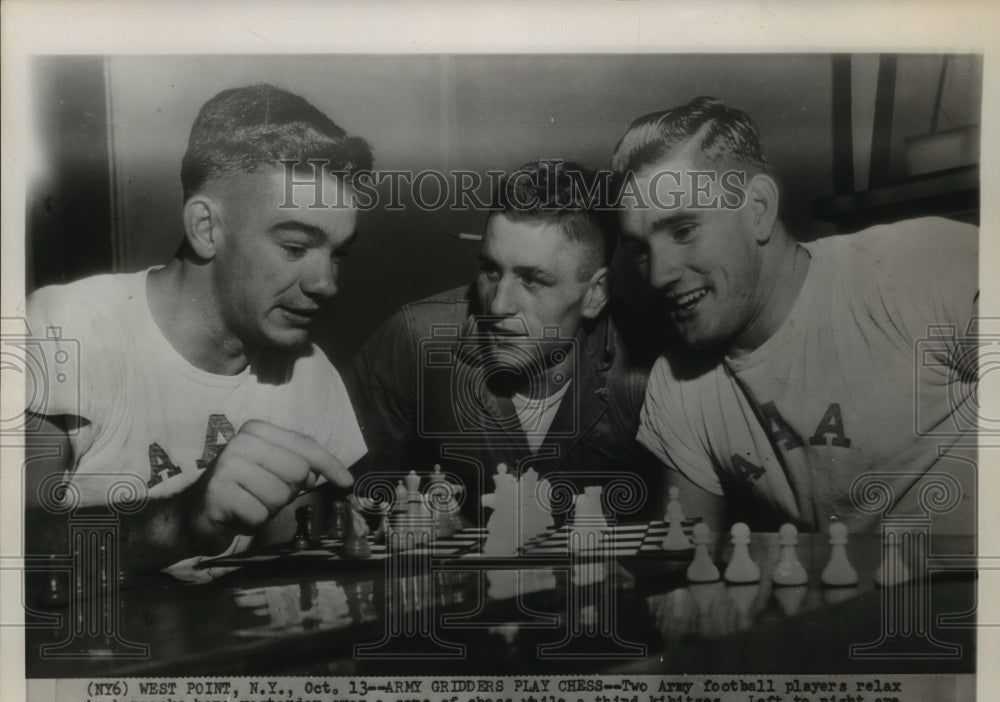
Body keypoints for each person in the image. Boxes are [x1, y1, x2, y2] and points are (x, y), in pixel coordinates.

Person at [24, 84, 373, 578]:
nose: (326, 284)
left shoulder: (309, 373)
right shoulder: (69, 327)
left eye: (337, 254)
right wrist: (180, 524)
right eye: (295, 247)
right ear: (207, 228)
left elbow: (290, 577)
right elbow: (13, 552)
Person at [612, 96, 979, 534]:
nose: (658, 276)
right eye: (639, 250)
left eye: (684, 230)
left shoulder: (925, 266)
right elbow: (688, 561)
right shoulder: (675, 383)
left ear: (758, 209)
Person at [345, 160, 656, 523]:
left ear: (595, 293)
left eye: (531, 279)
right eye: (491, 270)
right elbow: (346, 507)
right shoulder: (414, 339)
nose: (497, 305)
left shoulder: (649, 368)